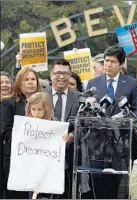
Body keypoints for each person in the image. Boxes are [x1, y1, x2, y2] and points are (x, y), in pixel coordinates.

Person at [85, 45, 137, 199]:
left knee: (119, 190)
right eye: (106, 61)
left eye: (112, 62)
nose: (108, 65)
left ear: (121, 64)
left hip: (121, 145)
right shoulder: (93, 83)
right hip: (97, 145)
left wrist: (124, 119)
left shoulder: (132, 83)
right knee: (98, 186)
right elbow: (86, 111)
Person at [1, 68, 41, 199]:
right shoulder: (8, 103)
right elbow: (6, 131)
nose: (30, 82)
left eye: (33, 79)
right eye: (26, 79)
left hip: (39, 160)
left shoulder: (45, 102)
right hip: (15, 161)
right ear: (19, 83)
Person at [45, 58, 81, 199]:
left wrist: (73, 135)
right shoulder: (41, 95)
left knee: (65, 193)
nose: (61, 77)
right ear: (51, 75)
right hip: (44, 155)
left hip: (69, 157)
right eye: (57, 73)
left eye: (65, 73)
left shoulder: (79, 98)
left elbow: (83, 126)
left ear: (70, 75)